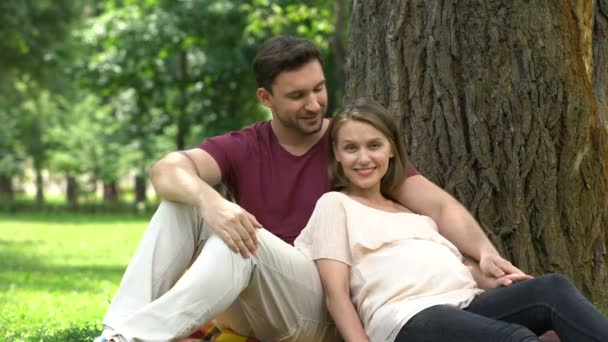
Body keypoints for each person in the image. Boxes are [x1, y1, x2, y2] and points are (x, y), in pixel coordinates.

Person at [96, 36, 524, 342]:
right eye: (297, 95)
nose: (315, 104)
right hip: (253, 303)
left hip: (318, 310)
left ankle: (135, 337)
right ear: (266, 97)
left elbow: (439, 206)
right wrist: (211, 203)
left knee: (243, 239)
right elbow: (164, 170)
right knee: (183, 203)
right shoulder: (246, 145)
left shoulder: (350, 144)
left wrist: (483, 250)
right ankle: (118, 333)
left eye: (319, 88)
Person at [294, 98, 608, 342]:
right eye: (351, 148)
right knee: (515, 339)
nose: (363, 158)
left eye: (374, 145)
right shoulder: (335, 205)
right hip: (407, 318)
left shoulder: (415, 215)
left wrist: (493, 276)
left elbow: (457, 269)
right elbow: (335, 296)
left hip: (466, 303)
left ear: (391, 149)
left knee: (552, 289)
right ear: (337, 153)